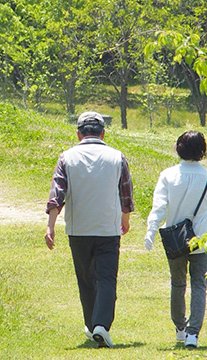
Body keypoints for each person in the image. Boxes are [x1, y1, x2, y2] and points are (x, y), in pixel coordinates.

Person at [44, 111, 134, 348]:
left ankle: (93, 325)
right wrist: (125, 218)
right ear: (104, 133)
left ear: (78, 134)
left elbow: (57, 194)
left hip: (79, 229)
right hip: (108, 228)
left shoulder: (67, 157)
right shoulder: (117, 157)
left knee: (86, 279)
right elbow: (125, 192)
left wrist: (50, 226)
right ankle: (100, 326)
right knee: (106, 279)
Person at [144, 130, 207, 348]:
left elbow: (159, 206)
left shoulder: (168, 174)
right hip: (202, 236)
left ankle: (180, 328)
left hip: (176, 239)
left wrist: (151, 229)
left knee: (177, 284)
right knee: (199, 285)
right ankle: (193, 334)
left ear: (179, 148)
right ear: (202, 151)